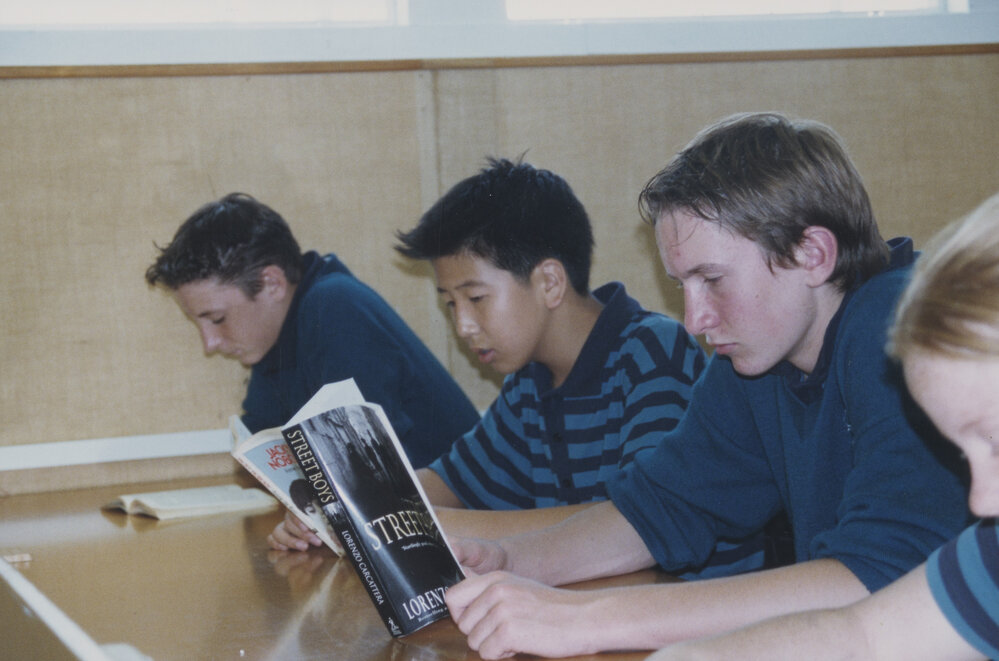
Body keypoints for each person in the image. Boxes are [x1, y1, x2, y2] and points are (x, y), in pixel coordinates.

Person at [441, 113, 972, 660]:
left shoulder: (904, 333)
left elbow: (881, 580)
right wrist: (515, 561)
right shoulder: (757, 358)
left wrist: (587, 619)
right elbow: (661, 507)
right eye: (682, 286)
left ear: (812, 254)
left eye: (713, 280)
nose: (694, 319)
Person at [647, 191, 999, 661]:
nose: (980, 502)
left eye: (996, 444)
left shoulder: (880, 321)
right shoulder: (990, 556)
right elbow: (865, 635)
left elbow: (876, 577)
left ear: (813, 254)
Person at [391, 157, 766, 577]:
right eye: (450, 304)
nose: (463, 325)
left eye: (475, 298)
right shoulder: (528, 385)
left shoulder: (653, 352)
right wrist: (354, 506)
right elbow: (447, 484)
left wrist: (439, 525)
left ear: (550, 282)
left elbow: (633, 523)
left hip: (686, 604)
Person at [146, 193, 481, 547]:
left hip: (465, 534)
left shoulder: (334, 306)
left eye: (217, 319)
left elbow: (365, 473)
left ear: (272, 284)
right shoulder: (274, 340)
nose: (210, 343)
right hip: (406, 534)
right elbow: (262, 452)